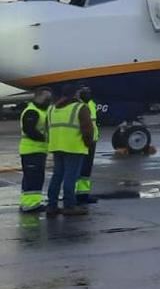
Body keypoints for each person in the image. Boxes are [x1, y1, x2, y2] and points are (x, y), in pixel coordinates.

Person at [46, 84, 95, 216]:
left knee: (57, 176)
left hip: (56, 147)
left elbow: (47, 128)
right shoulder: (80, 108)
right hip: (74, 147)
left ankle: (51, 205)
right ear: (75, 94)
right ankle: (69, 205)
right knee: (70, 177)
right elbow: (87, 130)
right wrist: (88, 143)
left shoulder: (52, 109)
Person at [18, 87, 53, 213]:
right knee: (33, 179)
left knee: (33, 178)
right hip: (31, 150)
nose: (48, 101)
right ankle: (31, 205)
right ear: (38, 97)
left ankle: (29, 203)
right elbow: (30, 130)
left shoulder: (43, 111)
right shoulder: (32, 112)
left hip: (38, 150)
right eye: (46, 98)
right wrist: (46, 138)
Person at [75, 85, 99, 205]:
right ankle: (74, 194)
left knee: (86, 171)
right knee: (78, 169)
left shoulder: (91, 104)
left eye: (88, 91)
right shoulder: (78, 106)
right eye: (84, 92)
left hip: (91, 141)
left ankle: (83, 194)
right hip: (82, 141)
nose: (87, 94)